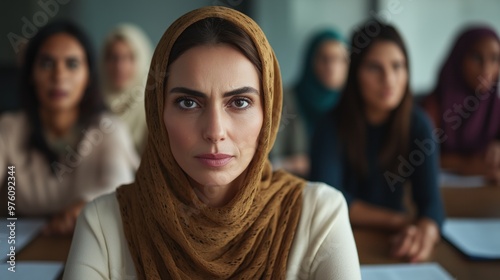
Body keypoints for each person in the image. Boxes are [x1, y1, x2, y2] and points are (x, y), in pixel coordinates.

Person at [63, 6, 361, 280]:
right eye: (189, 102)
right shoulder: (103, 224)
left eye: (240, 102)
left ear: (268, 113)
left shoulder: (319, 215)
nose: (215, 131)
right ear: (157, 112)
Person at [310, 20, 445, 263]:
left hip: (393, 244)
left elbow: (431, 204)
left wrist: (427, 230)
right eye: (374, 68)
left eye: (397, 66)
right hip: (336, 243)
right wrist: (398, 220)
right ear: (355, 74)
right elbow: (329, 199)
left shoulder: (418, 124)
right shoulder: (330, 124)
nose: (389, 80)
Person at [0, 20, 139, 236]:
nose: (59, 76)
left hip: (86, 242)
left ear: (88, 77)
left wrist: (85, 207)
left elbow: (120, 190)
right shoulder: (9, 128)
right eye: (46, 63)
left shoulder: (108, 130)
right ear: (31, 74)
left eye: (72, 64)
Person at [422, 26, 500, 185]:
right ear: (458, 59)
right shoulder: (433, 106)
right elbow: (416, 158)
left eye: (495, 59)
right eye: (476, 57)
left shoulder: (497, 107)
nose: (486, 69)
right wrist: (465, 165)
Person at [271, 29, 349, 177]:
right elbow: (267, 162)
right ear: (310, 61)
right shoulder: (286, 99)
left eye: (340, 60)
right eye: (324, 59)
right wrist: (293, 163)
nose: (332, 67)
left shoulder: (353, 104)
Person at [101, 24, 153, 154]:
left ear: (143, 60)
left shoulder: (153, 107)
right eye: (113, 57)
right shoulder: (90, 102)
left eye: (129, 58)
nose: (120, 66)